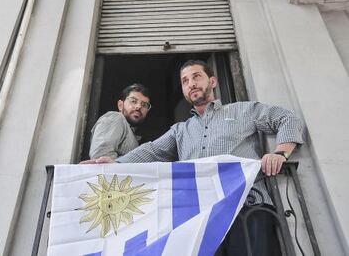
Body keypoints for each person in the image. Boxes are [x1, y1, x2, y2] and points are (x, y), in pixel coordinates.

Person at [81, 60, 304, 255]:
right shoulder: (180, 130)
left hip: (247, 207)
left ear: (213, 82)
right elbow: (151, 151)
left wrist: (280, 153)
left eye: (196, 77)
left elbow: (285, 118)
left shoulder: (244, 111)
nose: (191, 84)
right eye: (185, 81)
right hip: (201, 218)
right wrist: (114, 163)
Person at [88, 83, 152, 160]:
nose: (139, 106)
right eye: (133, 101)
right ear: (120, 105)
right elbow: (100, 158)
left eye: (144, 105)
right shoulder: (115, 117)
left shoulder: (131, 132)